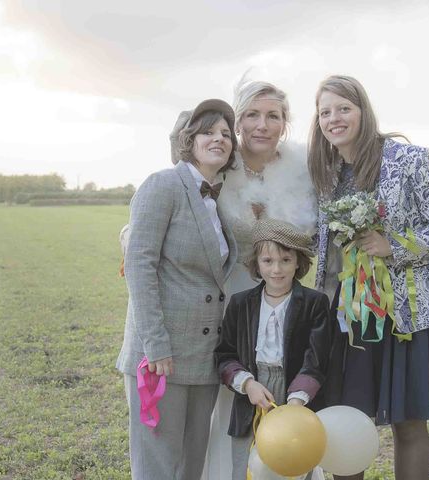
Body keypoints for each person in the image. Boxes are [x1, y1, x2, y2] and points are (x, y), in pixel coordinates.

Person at [308, 75, 429, 480]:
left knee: (409, 423)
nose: (334, 118)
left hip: (405, 316)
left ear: (363, 110)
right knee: (345, 422)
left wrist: (392, 246)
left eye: (344, 108)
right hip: (347, 318)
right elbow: (317, 240)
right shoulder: (323, 174)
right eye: (325, 112)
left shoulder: (409, 159)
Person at [116, 99, 238, 480]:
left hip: (203, 357)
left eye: (225, 133)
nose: (219, 138)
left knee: (191, 466)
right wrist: (155, 345)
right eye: (208, 131)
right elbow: (139, 264)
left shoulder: (218, 200)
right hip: (161, 355)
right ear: (189, 140)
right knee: (158, 466)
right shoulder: (163, 184)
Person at [203, 80, 318, 480]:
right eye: (252, 114)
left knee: (285, 391)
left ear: (285, 123)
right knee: (231, 396)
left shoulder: (303, 168)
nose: (261, 125)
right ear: (237, 121)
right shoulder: (220, 163)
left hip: (284, 295)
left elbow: (313, 234)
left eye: (273, 116)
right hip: (231, 297)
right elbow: (180, 200)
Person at [215, 218, 331, 480]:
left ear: (299, 262)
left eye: (285, 261)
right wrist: (248, 385)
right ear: (256, 263)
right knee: (248, 466)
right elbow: (224, 356)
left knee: (293, 463)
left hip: (297, 392)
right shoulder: (240, 304)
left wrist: (296, 402)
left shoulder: (315, 303)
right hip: (253, 393)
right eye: (268, 261)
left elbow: (317, 358)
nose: (276, 270)